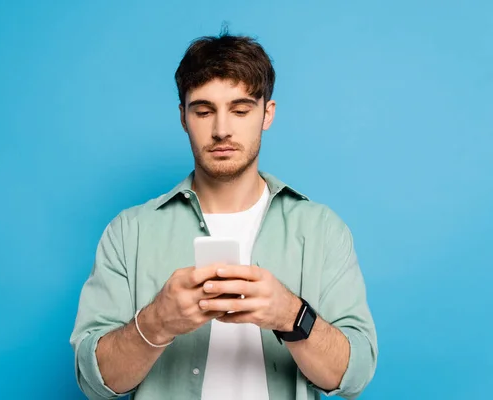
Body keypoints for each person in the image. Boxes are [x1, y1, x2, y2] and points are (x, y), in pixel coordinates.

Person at [70, 31, 378, 400]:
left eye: (241, 109)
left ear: (268, 113)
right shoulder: (129, 232)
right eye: (203, 111)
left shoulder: (322, 230)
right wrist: (157, 321)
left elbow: (354, 375)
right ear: (183, 117)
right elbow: (94, 383)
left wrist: (291, 316)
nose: (221, 130)